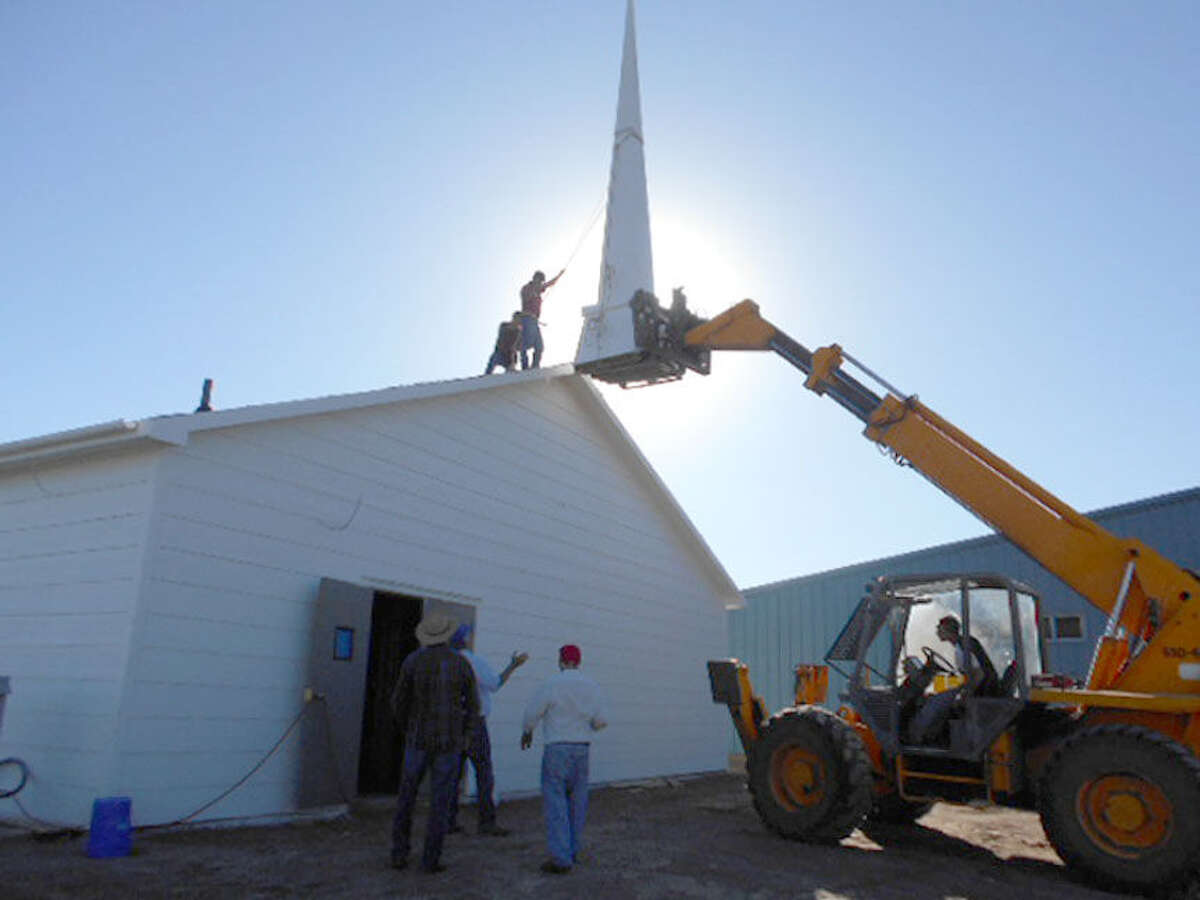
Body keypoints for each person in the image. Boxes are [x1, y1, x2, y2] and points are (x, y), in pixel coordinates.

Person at [389, 611, 479, 874]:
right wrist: (466, 735)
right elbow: (473, 706)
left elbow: (398, 702)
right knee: (440, 801)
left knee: (407, 797)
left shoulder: (413, 661)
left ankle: (399, 853)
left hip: (417, 739)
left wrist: (407, 727)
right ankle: (431, 859)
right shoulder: (461, 664)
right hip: (449, 742)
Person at [520, 643, 608, 875]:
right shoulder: (592, 686)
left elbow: (532, 714)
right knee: (577, 803)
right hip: (582, 749)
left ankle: (560, 858)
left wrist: (527, 731)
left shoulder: (551, 684)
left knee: (556, 802)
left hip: (557, 748)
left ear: (560, 661)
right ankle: (572, 850)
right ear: (579, 661)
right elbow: (601, 721)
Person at [447, 624, 529, 836]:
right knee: (483, 772)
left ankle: (447, 820)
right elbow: (494, 683)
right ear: (466, 639)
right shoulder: (475, 661)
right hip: (475, 723)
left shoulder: (446, 663)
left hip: (451, 723)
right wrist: (512, 666)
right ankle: (486, 822)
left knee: (452, 773)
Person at [907, 614, 1000, 744]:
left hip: (982, 689)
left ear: (946, 629)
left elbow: (979, 675)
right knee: (936, 692)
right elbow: (967, 674)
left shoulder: (963, 647)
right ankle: (932, 736)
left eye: (939, 628)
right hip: (977, 685)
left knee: (935, 701)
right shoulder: (962, 644)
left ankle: (915, 736)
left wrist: (965, 695)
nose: (937, 631)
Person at [518, 268, 564, 369]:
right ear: (535, 279)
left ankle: (534, 366)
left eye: (541, 282)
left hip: (534, 321)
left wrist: (559, 275)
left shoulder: (537, 288)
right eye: (539, 281)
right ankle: (525, 367)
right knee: (527, 343)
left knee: (539, 346)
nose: (540, 283)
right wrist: (534, 294)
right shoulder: (527, 288)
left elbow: (549, 284)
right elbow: (525, 297)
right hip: (527, 319)